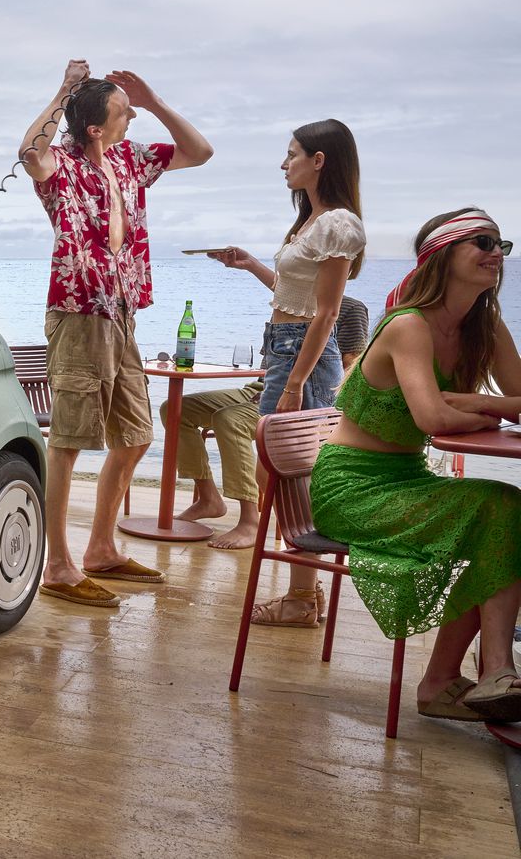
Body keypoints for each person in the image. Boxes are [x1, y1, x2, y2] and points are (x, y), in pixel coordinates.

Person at [311, 208, 521, 721]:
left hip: (407, 478)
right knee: (501, 508)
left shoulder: (484, 326)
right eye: (482, 242)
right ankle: (487, 670)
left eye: (501, 244)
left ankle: (460, 679)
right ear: (443, 256)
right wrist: (467, 404)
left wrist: (473, 402)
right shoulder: (408, 325)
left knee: (503, 513)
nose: (496, 253)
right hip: (352, 488)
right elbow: (431, 416)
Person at [22, 59, 213, 607]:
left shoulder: (132, 160)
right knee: (68, 442)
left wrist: (152, 100)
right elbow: (29, 152)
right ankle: (57, 565)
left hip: (123, 314)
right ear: (94, 129)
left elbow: (199, 152)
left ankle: (100, 549)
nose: (132, 117)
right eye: (124, 112)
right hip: (79, 314)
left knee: (135, 434)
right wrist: (62, 90)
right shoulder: (60, 165)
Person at [208, 120, 364, 625]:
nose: (284, 163)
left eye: (292, 153)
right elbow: (294, 297)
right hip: (285, 347)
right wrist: (253, 265)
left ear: (320, 160)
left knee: (292, 473)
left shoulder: (337, 224)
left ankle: (300, 596)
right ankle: (305, 592)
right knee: (280, 472)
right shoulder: (311, 222)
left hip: (303, 355)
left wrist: (296, 383)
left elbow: (327, 313)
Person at [172, 295, 370, 550]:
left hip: (293, 396)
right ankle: (209, 498)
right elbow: (271, 363)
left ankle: (249, 521)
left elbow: (350, 366)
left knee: (229, 419)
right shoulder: (289, 302)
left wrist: (292, 389)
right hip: (261, 386)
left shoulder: (349, 309)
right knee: (178, 408)